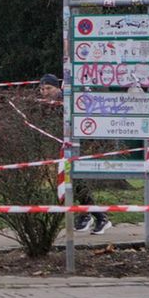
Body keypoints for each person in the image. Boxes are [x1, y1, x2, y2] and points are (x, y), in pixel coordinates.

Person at [39, 74, 111, 235]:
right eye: (42, 89)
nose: (45, 92)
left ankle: (96, 216)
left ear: (58, 87)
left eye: (48, 88)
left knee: (74, 177)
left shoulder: (68, 98)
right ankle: (91, 215)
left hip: (80, 141)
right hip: (65, 144)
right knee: (72, 178)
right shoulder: (48, 104)